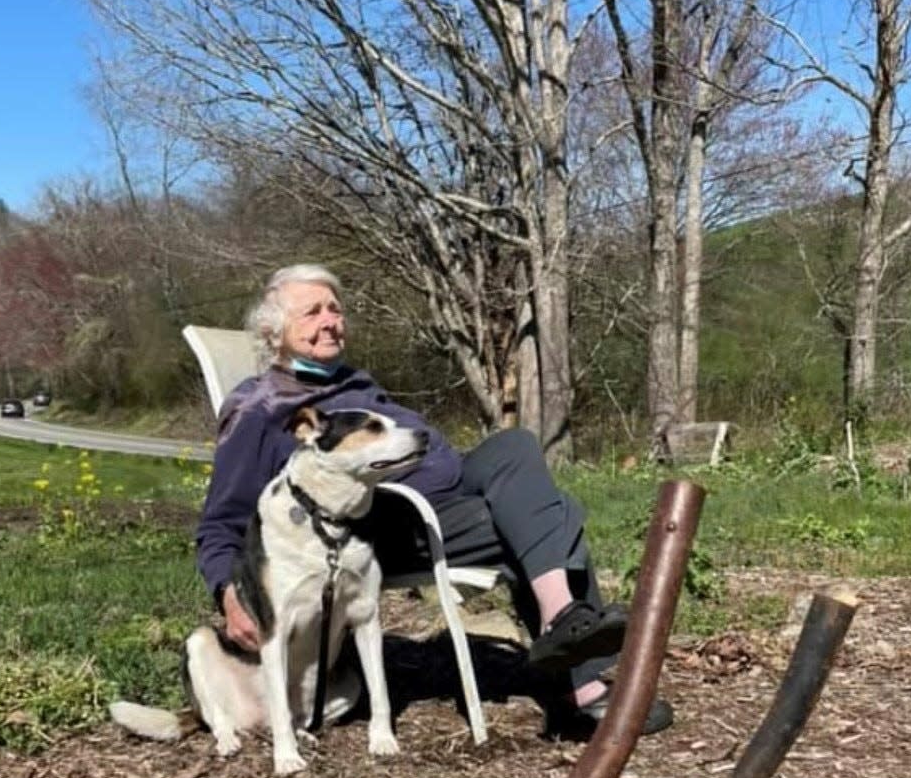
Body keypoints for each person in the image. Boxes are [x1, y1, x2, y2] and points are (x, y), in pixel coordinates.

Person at [195, 264, 672, 737]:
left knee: (515, 447)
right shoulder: (259, 407)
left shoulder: (352, 382)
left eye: (336, 310)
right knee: (552, 515)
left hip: (451, 494)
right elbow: (222, 518)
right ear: (274, 332)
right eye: (312, 313)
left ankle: (564, 621)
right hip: (390, 527)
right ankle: (579, 684)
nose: (331, 321)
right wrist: (228, 592)